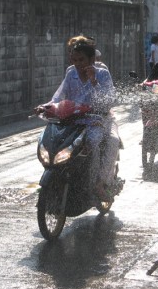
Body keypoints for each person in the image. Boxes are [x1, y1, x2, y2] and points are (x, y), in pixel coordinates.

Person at [41, 40, 120, 201]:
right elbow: (59, 95)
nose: (77, 64)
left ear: (92, 60)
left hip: (98, 119)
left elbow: (109, 100)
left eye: (81, 60)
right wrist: (46, 106)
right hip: (72, 120)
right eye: (74, 60)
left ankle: (99, 182)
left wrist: (94, 82)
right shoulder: (71, 73)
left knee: (105, 141)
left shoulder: (102, 74)